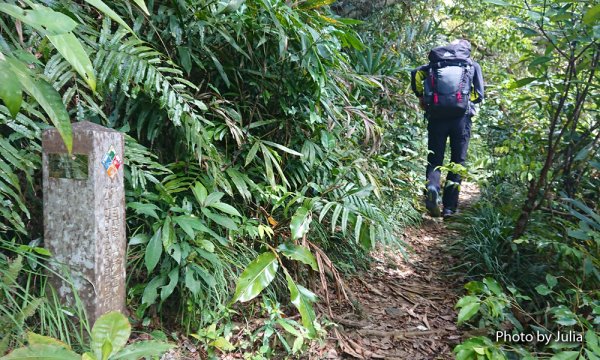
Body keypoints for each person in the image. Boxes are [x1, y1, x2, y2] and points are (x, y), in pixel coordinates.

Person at [410, 39, 484, 218]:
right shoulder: (471, 65)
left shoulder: (435, 65)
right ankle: (449, 207)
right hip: (461, 120)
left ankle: (432, 188)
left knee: (435, 158)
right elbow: (479, 95)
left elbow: (415, 74)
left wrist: (423, 97)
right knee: (458, 162)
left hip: (437, 117)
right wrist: (464, 101)